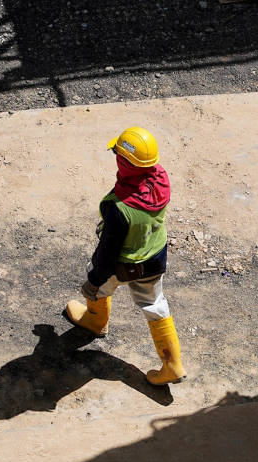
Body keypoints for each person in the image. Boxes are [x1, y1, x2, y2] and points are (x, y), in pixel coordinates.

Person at [64, 126, 185, 386]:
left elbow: (108, 253)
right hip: (155, 256)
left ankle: (95, 321)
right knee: (155, 305)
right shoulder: (160, 179)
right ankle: (172, 365)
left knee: (99, 283)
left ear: (124, 162)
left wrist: (94, 280)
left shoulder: (118, 208)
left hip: (124, 265)